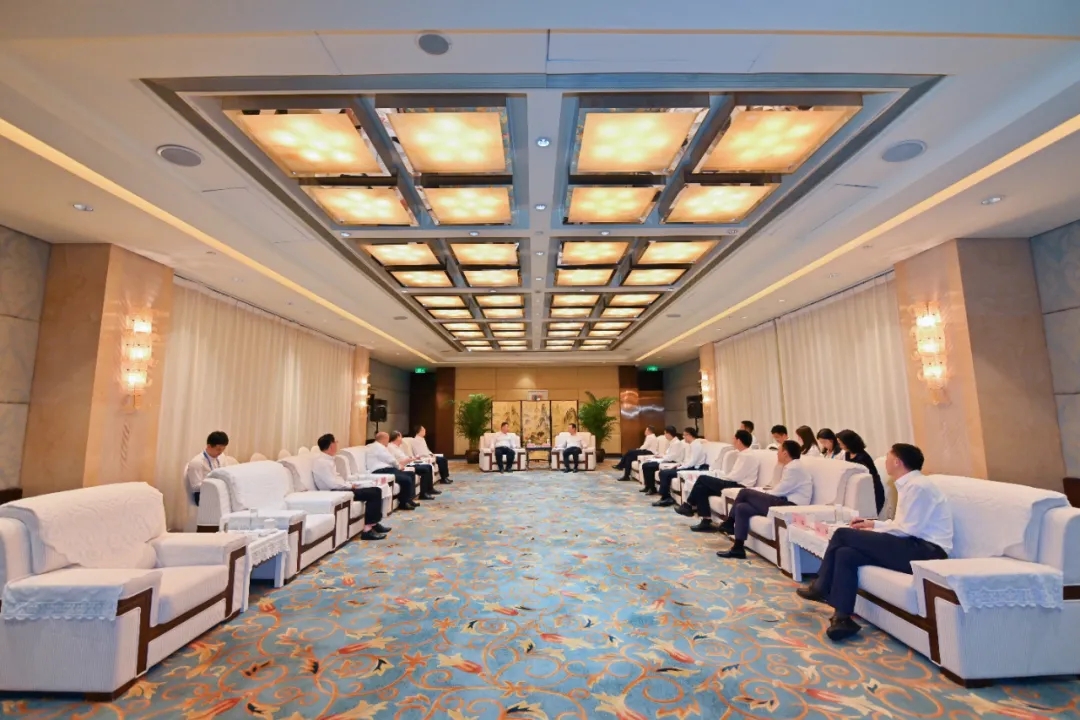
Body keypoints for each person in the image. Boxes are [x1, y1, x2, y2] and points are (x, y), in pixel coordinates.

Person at [796, 443, 951, 641]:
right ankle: (842, 618)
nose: (885, 460)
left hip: (926, 551)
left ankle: (821, 586)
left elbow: (908, 530)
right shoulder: (909, 484)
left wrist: (875, 529)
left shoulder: (917, 487)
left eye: (888, 456)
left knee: (842, 535)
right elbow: (902, 525)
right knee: (846, 554)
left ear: (897, 462)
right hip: (912, 544)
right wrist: (872, 524)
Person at [716, 440, 812, 559]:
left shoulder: (794, 468)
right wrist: (778, 466)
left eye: (779, 451)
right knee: (742, 508)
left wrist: (761, 494)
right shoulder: (790, 466)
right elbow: (776, 485)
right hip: (782, 501)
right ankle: (738, 548)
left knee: (744, 492)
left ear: (785, 453)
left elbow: (778, 491)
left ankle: (730, 522)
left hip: (789, 505)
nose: (777, 453)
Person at [675, 429, 760, 531]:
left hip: (739, 485)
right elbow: (735, 475)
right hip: (734, 482)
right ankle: (705, 520)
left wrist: (721, 477)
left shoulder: (746, 456)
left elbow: (736, 476)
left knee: (702, 479)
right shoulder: (745, 454)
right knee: (702, 488)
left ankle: (688, 505)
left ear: (739, 441)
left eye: (734, 439)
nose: (732, 441)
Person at [311, 433, 390, 540]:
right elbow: (332, 484)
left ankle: (374, 524)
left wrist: (350, 484)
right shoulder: (322, 463)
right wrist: (350, 486)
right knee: (373, 493)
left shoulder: (327, 459)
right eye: (335, 442)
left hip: (341, 488)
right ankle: (367, 530)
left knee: (376, 490)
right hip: (335, 491)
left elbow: (336, 480)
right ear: (331, 445)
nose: (337, 444)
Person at [653, 427, 708, 508]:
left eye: (684, 435)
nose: (683, 437)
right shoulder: (691, 444)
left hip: (694, 468)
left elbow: (692, 462)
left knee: (664, 473)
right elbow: (688, 460)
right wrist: (680, 464)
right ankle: (666, 496)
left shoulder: (696, 445)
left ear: (689, 435)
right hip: (688, 466)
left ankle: (666, 497)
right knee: (665, 472)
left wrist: (681, 467)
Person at [365, 431, 418, 511]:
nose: (388, 442)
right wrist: (399, 467)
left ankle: (409, 500)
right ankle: (404, 503)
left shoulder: (374, 446)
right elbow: (391, 459)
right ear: (384, 439)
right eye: (387, 440)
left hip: (387, 469)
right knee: (406, 479)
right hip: (381, 471)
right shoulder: (379, 447)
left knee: (410, 474)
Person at [837, 429, 884, 516]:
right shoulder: (847, 454)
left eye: (841, 443)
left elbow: (869, 476)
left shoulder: (863, 457)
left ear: (848, 443)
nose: (840, 446)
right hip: (860, 488)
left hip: (872, 490)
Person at [184, 431, 229, 506]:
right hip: (202, 494)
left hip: (218, 490)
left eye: (223, 449)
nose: (220, 452)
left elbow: (226, 473)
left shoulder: (222, 457)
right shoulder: (197, 462)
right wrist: (214, 485)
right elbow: (195, 486)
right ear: (209, 446)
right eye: (218, 449)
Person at [390, 430, 438, 500]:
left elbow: (404, 457)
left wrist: (412, 458)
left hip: (408, 463)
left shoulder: (398, 447)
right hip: (404, 466)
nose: (402, 439)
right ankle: (423, 494)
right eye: (401, 437)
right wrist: (411, 459)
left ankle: (429, 489)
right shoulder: (391, 447)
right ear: (397, 437)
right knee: (425, 469)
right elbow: (396, 461)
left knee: (428, 467)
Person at [640, 426, 684, 495]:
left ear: (668, 434)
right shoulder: (672, 442)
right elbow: (668, 454)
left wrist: (662, 458)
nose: (664, 435)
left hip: (671, 462)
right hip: (666, 460)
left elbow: (672, 457)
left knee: (649, 467)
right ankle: (648, 486)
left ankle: (652, 488)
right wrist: (661, 456)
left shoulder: (677, 443)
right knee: (645, 465)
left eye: (665, 433)